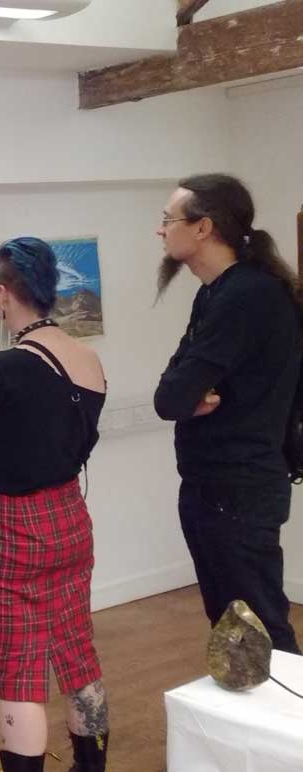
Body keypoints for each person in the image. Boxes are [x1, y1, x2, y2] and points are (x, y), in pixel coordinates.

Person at [0, 237, 110, 772]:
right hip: (69, 520)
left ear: (2, 294)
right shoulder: (89, 360)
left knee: (18, 668)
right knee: (76, 651)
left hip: (6, 530)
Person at [153, 173, 303, 654]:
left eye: (168, 219)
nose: (160, 230)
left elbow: (171, 398)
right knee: (233, 627)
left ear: (203, 227)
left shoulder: (247, 296)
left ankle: (286, 703)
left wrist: (186, 393)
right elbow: (173, 392)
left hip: (239, 489)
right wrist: (184, 391)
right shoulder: (215, 293)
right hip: (214, 486)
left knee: (260, 627)